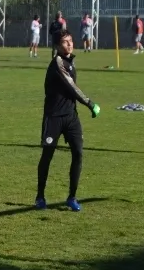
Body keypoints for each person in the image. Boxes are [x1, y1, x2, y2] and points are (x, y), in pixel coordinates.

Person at [35, 29, 101, 212]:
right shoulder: (58, 63)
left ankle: (72, 197)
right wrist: (90, 103)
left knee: (78, 153)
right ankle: (40, 196)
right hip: (54, 118)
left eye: (70, 40)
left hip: (71, 117)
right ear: (57, 46)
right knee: (47, 156)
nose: (70, 44)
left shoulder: (70, 61)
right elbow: (72, 88)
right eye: (65, 42)